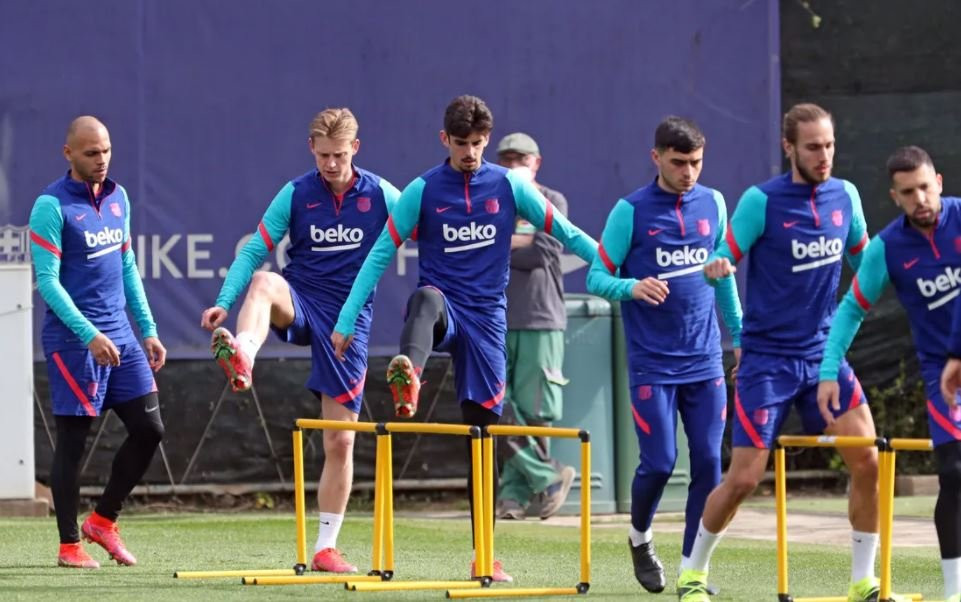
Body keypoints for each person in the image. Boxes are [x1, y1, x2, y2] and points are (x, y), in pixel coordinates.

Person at [331, 95, 598, 583]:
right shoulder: (423, 189)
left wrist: (612, 261)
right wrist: (347, 320)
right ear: (444, 140)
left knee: (482, 440)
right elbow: (377, 255)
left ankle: (485, 556)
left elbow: (568, 233)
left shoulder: (510, 186)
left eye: (477, 144)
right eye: (461, 144)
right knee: (425, 298)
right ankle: (408, 372)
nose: (470, 153)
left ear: (487, 141)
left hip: (488, 323)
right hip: (445, 310)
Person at [691, 103, 900, 602]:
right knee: (743, 478)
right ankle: (692, 573)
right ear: (789, 147)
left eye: (829, 145)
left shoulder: (845, 196)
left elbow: (865, 262)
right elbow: (726, 256)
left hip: (824, 357)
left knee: (868, 460)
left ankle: (863, 581)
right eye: (813, 147)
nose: (824, 155)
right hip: (767, 361)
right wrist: (720, 272)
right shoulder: (760, 201)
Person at [199, 108, 399, 573]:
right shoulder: (296, 193)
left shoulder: (383, 194)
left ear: (356, 149)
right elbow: (255, 248)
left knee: (340, 443)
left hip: (350, 320)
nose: (331, 164)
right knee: (265, 282)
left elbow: (424, 227)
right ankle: (244, 356)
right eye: (324, 154)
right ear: (311, 148)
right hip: (302, 299)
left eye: (340, 155)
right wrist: (224, 300)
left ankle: (326, 547)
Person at [587, 116, 742, 594]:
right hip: (653, 363)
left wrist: (738, 335)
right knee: (659, 462)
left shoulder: (713, 202)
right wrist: (631, 286)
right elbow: (595, 277)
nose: (688, 172)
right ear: (656, 158)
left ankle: (693, 573)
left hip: (705, 361)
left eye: (696, 162)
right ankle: (639, 537)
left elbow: (722, 274)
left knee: (710, 464)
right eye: (679, 163)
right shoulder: (630, 211)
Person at [823, 146, 959, 602]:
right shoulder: (887, 248)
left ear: (939, 181)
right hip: (945, 376)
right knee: (955, 475)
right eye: (908, 192)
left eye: (925, 186)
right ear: (894, 197)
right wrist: (827, 370)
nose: (919, 198)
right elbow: (850, 310)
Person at [29, 116, 167, 569]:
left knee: (150, 430)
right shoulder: (51, 206)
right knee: (73, 441)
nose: (101, 160)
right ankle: (70, 545)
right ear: (68, 153)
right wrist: (89, 335)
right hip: (74, 341)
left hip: (122, 337)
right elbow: (47, 282)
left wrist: (146, 328)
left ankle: (103, 521)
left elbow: (126, 266)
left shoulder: (119, 197)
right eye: (91, 153)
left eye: (106, 150)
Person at [494, 132, 575, 522]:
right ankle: (546, 477)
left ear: (536, 164)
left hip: (541, 317)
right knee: (497, 407)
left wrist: (500, 245)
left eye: (520, 159)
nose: (513, 166)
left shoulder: (552, 201)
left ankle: (513, 497)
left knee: (536, 412)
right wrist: (511, 242)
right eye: (505, 160)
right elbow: (483, 251)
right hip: (494, 318)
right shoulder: (490, 204)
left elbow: (543, 252)